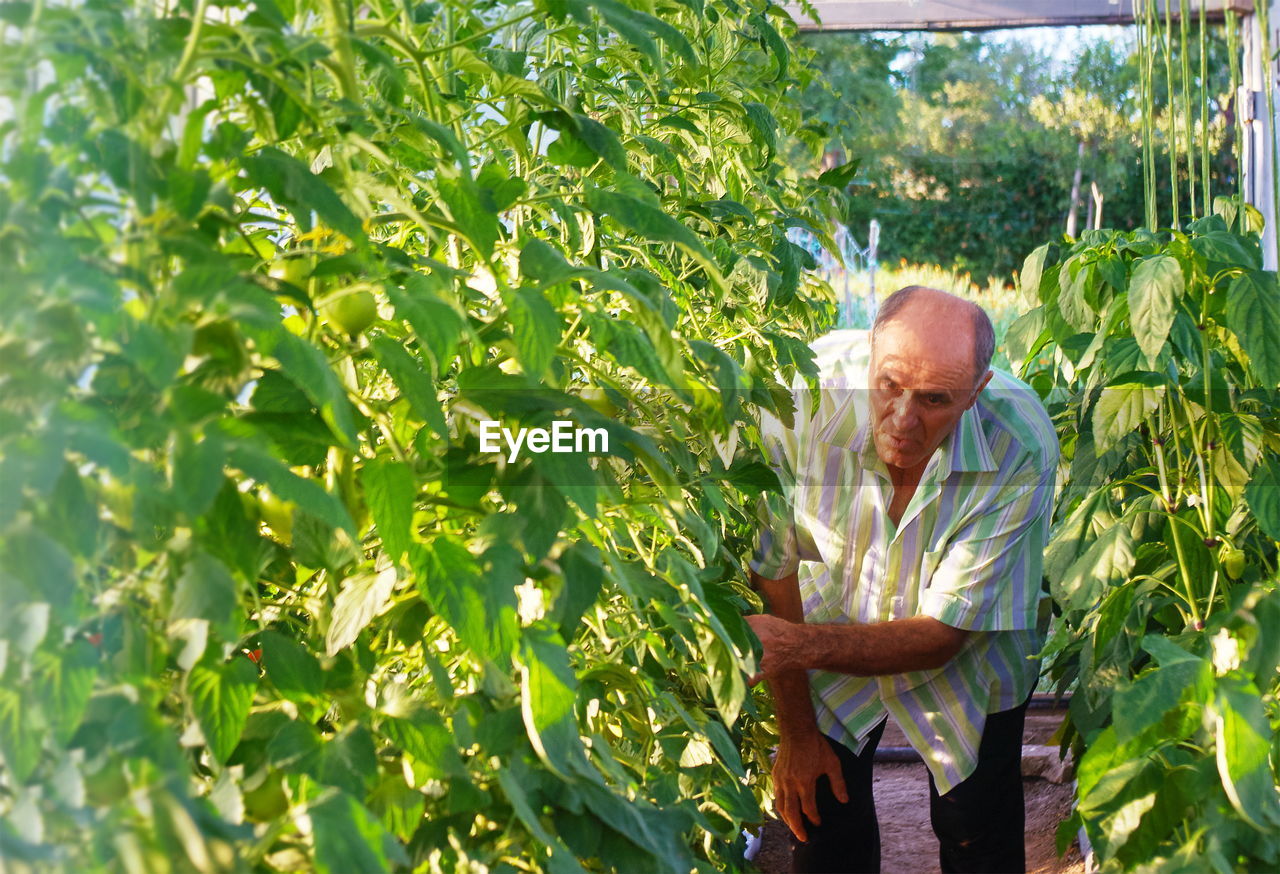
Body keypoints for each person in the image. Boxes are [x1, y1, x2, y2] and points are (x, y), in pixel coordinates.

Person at [746, 286, 1059, 874]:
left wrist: (794, 646)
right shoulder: (797, 401)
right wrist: (795, 730)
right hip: (828, 609)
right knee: (823, 823)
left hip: (968, 644)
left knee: (977, 826)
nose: (904, 420)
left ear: (976, 394)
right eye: (888, 385)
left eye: (936, 399)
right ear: (868, 355)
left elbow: (945, 634)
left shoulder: (1019, 443)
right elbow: (774, 565)